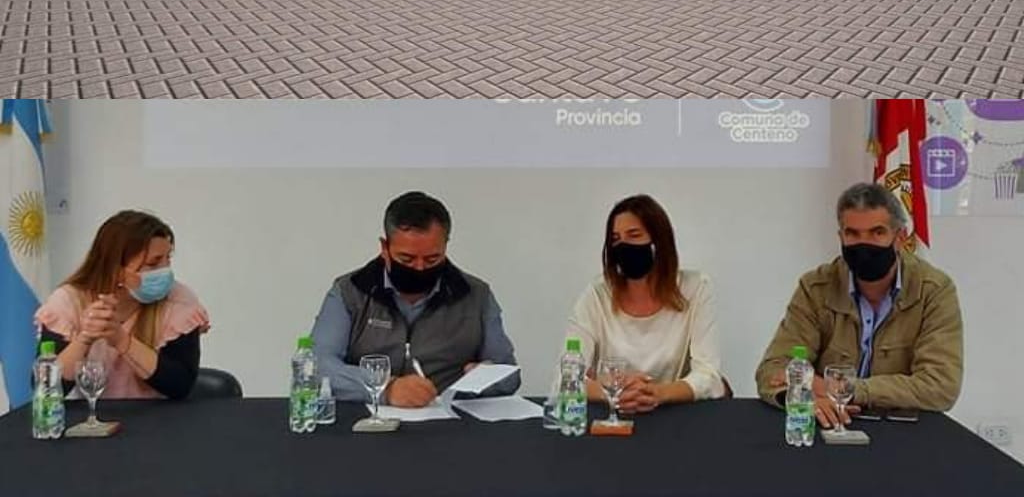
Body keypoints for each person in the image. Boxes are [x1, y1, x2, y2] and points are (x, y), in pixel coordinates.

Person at [755, 182, 963, 428]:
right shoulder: (816, 287)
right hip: (828, 425)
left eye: (877, 232)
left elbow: (940, 386)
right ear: (841, 237)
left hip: (901, 431)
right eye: (852, 234)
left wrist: (845, 389)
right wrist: (802, 398)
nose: (864, 244)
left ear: (899, 238)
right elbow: (774, 370)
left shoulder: (933, 290)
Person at [311, 191, 520, 407]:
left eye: (432, 259)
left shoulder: (476, 295)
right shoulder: (350, 291)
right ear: (384, 248)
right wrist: (385, 387)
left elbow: (510, 375)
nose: (419, 268)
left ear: (445, 247)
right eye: (407, 259)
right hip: (368, 418)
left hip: (449, 418)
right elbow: (317, 366)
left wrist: (487, 378)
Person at [560, 195, 727, 414]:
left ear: (659, 241)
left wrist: (658, 393)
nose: (623, 246)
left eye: (634, 235)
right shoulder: (597, 295)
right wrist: (613, 393)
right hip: (613, 416)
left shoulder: (696, 289)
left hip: (674, 416)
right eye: (616, 239)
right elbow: (566, 376)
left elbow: (709, 376)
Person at [34, 210, 210, 400]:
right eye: (153, 264)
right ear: (115, 270)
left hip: (158, 415)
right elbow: (46, 389)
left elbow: (180, 385)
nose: (165, 271)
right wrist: (85, 338)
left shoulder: (179, 300)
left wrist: (122, 341)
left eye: (168, 259)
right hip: (91, 415)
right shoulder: (69, 300)